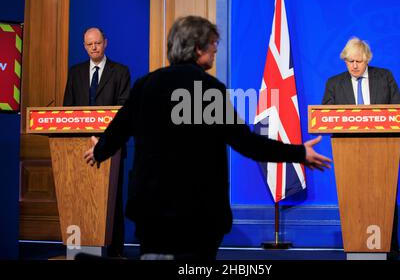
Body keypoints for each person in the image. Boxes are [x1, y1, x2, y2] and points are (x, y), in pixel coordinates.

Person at [84, 16, 332, 260]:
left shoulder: (144, 85)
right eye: (213, 43)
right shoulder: (208, 89)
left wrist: (98, 151)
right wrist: (299, 153)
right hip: (198, 215)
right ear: (197, 48)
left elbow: (118, 130)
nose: (216, 49)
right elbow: (246, 143)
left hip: (151, 213)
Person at [321, 36, 400, 259]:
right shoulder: (334, 83)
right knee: (352, 201)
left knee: (386, 202)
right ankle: (355, 247)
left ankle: (389, 249)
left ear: (367, 59)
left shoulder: (384, 77)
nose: (354, 66)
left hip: (384, 152)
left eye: (358, 61)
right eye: (349, 61)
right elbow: (325, 117)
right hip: (348, 153)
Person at [63, 27, 131, 257]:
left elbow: (124, 111)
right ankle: (80, 250)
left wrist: (104, 138)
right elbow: (67, 111)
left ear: (105, 43)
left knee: (112, 201)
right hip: (78, 149)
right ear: (84, 46)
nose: (94, 47)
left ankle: (116, 251)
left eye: (97, 43)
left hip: (112, 146)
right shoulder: (75, 72)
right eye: (89, 44)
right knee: (80, 197)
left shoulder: (120, 72)